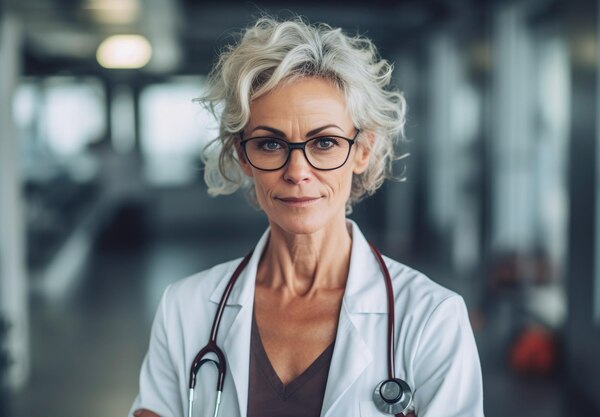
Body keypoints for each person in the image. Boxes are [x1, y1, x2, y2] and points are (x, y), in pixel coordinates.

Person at [129, 16, 483, 417]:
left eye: (325, 142)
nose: (297, 171)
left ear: (362, 150)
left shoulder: (431, 318)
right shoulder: (186, 308)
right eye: (270, 144)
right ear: (242, 155)